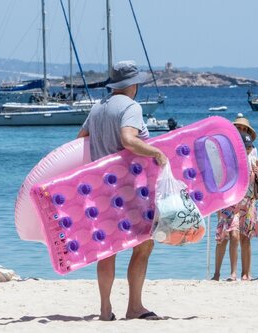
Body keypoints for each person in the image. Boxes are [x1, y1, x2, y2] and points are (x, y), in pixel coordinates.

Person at [77, 60, 168, 321]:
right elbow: (129, 140)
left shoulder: (97, 108)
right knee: (143, 245)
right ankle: (135, 307)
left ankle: (105, 310)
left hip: (100, 190)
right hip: (130, 190)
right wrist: (157, 152)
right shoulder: (131, 107)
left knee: (107, 249)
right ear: (132, 84)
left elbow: (81, 140)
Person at [211, 129, 258, 281]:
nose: (248, 149)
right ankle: (229, 273)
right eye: (246, 147)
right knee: (230, 235)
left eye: (250, 147)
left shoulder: (253, 157)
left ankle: (245, 273)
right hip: (231, 202)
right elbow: (220, 180)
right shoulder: (230, 161)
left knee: (245, 237)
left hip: (248, 201)